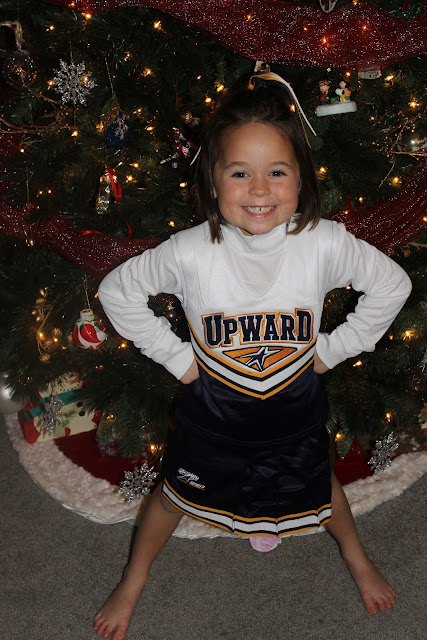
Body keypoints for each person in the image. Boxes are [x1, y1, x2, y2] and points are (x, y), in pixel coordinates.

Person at [94, 82, 411, 640]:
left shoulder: (323, 242)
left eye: (277, 172)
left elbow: (392, 284)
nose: (260, 189)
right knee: (171, 498)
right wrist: (177, 357)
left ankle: (356, 557)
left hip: (295, 415)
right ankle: (133, 577)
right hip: (212, 423)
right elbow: (118, 291)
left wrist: (333, 349)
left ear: (301, 178)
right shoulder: (190, 252)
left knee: (320, 486)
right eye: (240, 172)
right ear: (212, 180)